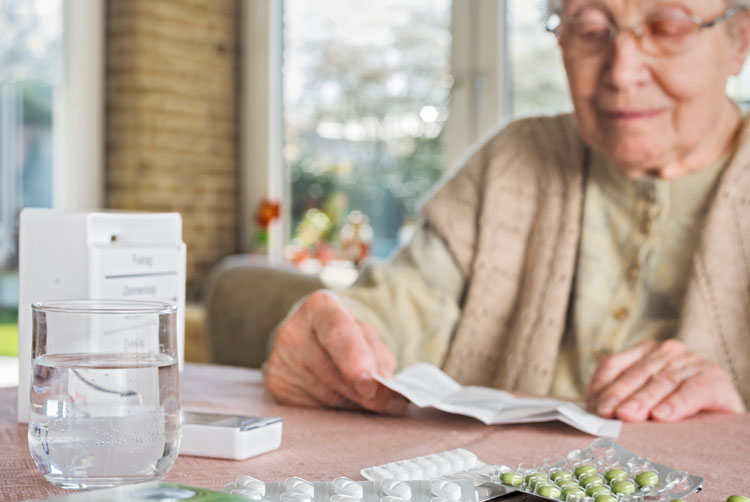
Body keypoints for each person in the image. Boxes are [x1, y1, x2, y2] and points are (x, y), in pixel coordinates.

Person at [265, 0, 750, 423]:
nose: (621, 72)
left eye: (667, 27)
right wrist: (335, 339)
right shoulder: (513, 159)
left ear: (739, 41)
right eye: (589, 31)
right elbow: (401, 303)